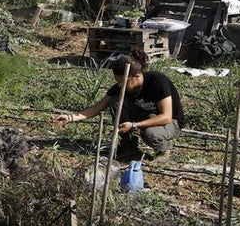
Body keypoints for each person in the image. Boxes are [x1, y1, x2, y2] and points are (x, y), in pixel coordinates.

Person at [54, 50, 184, 160]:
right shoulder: (121, 87)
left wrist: (134, 125)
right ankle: (129, 147)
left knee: (151, 134)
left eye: (123, 82)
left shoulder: (158, 82)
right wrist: (70, 117)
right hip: (145, 117)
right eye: (118, 82)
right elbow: (98, 107)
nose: (120, 85)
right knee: (115, 101)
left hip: (170, 122)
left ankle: (164, 150)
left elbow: (166, 117)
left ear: (137, 76)